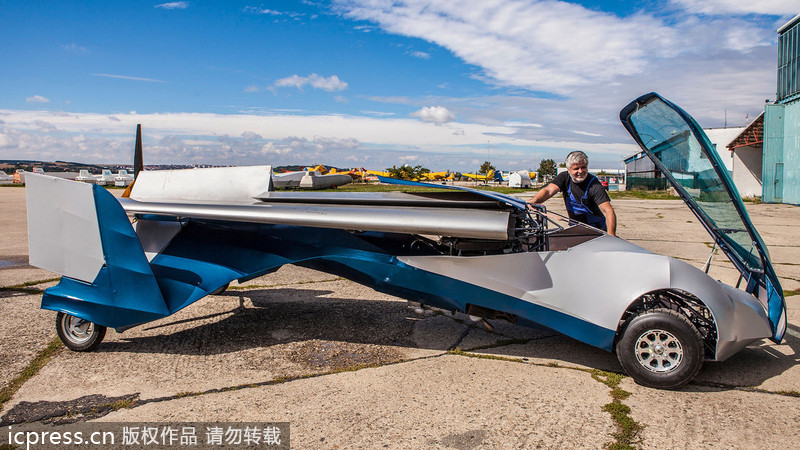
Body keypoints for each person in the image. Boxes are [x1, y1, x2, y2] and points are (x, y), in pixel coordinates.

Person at [527, 151, 617, 236]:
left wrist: (611, 235)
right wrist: (533, 201)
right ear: (569, 169)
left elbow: (608, 211)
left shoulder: (594, 185)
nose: (580, 171)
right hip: (575, 229)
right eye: (576, 168)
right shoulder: (564, 177)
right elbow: (548, 191)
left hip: (597, 230)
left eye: (583, 167)